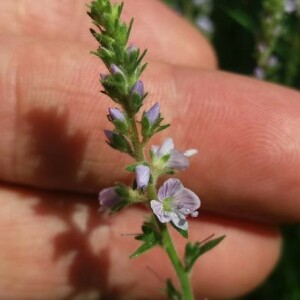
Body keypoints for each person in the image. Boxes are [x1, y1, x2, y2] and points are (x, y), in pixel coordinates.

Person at [0, 0, 299, 299]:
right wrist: (134, 193)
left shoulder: (160, 181)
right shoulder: (149, 181)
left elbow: (157, 188)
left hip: (158, 184)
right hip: (153, 187)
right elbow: (147, 187)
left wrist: (156, 184)